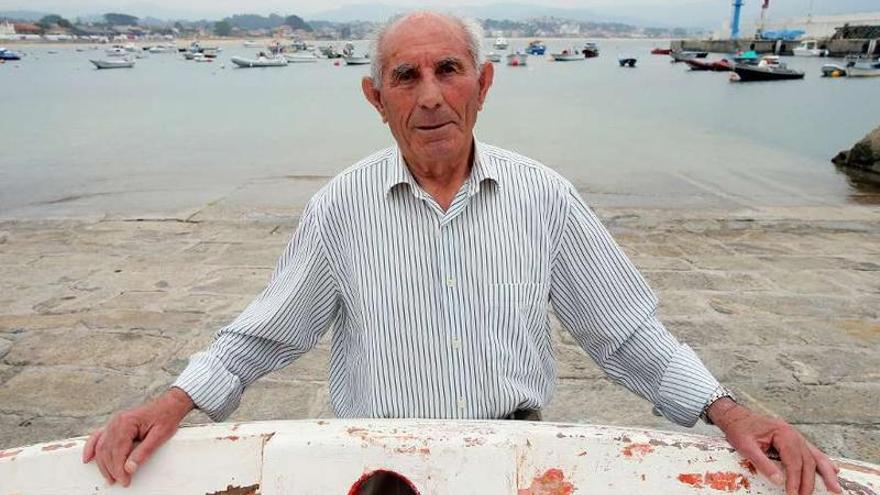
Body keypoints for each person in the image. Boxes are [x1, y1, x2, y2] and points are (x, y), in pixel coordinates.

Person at [83, 11, 841, 495]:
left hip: (510, 461)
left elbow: (628, 335)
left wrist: (731, 412)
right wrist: (170, 402)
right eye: (405, 76)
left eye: (448, 70)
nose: (430, 95)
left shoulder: (545, 197)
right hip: (378, 471)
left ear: (483, 84)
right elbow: (262, 336)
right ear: (374, 99)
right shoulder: (341, 207)